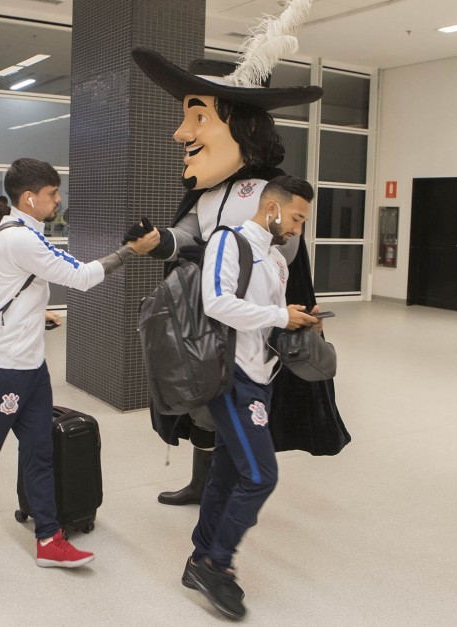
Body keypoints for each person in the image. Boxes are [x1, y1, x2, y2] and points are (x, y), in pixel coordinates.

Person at [127, 1, 325, 507]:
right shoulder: (210, 195)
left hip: (247, 319)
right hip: (203, 315)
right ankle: (203, 483)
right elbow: (187, 236)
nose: (182, 133)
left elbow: (285, 245)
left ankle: (234, 484)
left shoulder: (270, 194)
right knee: (198, 400)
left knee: (234, 402)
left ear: (241, 128)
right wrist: (159, 242)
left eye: (198, 117)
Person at [0, 158, 159, 568]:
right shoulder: (20, 238)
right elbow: (82, 276)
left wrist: (34, 314)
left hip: (30, 364)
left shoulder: (22, 233)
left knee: (40, 450)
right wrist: (132, 251)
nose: (59, 199)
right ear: (29, 198)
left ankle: (48, 537)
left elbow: (11, 286)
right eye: (53, 194)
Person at [184, 175, 318, 619]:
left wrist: (297, 320)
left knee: (227, 469)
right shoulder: (231, 241)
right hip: (230, 376)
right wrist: (279, 313)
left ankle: (199, 556)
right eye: (296, 217)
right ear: (272, 208)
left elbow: (268, 321)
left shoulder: (277, 261)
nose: (297, 228)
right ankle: (216, 564)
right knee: (260, 475)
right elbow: (215, 302)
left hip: (261, 375)